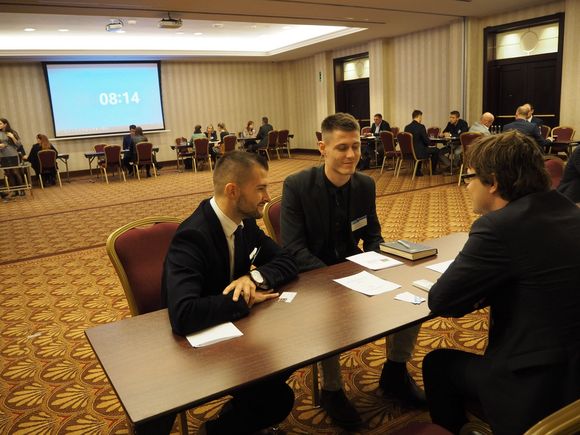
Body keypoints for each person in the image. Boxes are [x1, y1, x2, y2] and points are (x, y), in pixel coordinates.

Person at [423, 131, 580, 435]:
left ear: (492, 182)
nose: (466, 186)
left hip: (537, 387)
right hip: (574, 373)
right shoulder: (568, 210)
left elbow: (442, 301)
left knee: (437, 364)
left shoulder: (498, 227)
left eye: (470, 177)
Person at [281, 113, 424, 429]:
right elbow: (293, 249)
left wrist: (383, 265)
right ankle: (332, 389)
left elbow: (372, 235)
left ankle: (395, 371)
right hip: (311, 273)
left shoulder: (364, 184)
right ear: (323, 148)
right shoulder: (297, 186)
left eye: (356, 147)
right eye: (342, 147)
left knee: (410, 294)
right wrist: (336, 280)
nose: (351, 155)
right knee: (329, 308)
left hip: (353, 266)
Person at [159, 151, 298, 435]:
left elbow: (286, 260)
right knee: (277, 399)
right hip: (197, 344)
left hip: (237, 332)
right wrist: (244, 299)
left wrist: (253, 278)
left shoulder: (244, 223)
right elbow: (184, 314)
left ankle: (239, 413)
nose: (267, 197)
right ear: (233, 191)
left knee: (291, 355)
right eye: (260, 189)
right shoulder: (193, 236)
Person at [404, 110, 440, 176]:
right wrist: (430, 145)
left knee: (420, 148)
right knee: (436, 150)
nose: (421, 119)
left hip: (409, 152)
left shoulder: (407, 127)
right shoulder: (421, 127)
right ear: (419, 116)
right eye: (421, 117)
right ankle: (433, 171)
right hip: (419, 153)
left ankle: (417, 171)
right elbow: (426, 141)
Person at [0, 117, 26, 196]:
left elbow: (19, 145)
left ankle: (22, 190)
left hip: (12, 155)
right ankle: (14, 191)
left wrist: (12, 137)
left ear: (5, 124)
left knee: (15, 172)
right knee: (8, 173)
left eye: (0, 124)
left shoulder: (12, 132)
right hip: (3, 156)